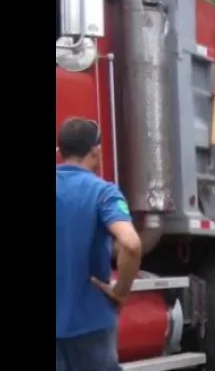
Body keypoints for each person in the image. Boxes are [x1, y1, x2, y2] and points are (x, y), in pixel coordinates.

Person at [56, 118, 142, 371]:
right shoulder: (104, 192)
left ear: (60, 153)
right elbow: (131, 244)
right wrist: (121, 291)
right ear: (96, 151)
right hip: (91, 324)